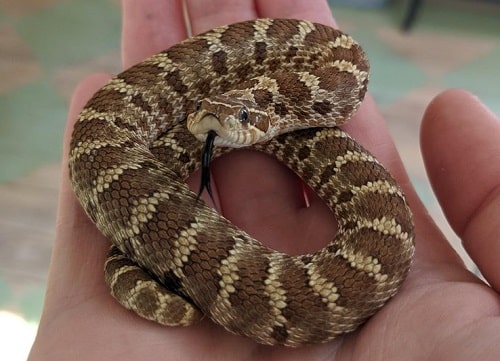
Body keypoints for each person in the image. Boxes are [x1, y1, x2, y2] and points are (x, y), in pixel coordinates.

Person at [28, 0, 500, 359]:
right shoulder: (227, 108)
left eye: (237, 121)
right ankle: (126, 254)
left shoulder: (332, 72)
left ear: (269, 112)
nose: (208, 128)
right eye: (200, 117)